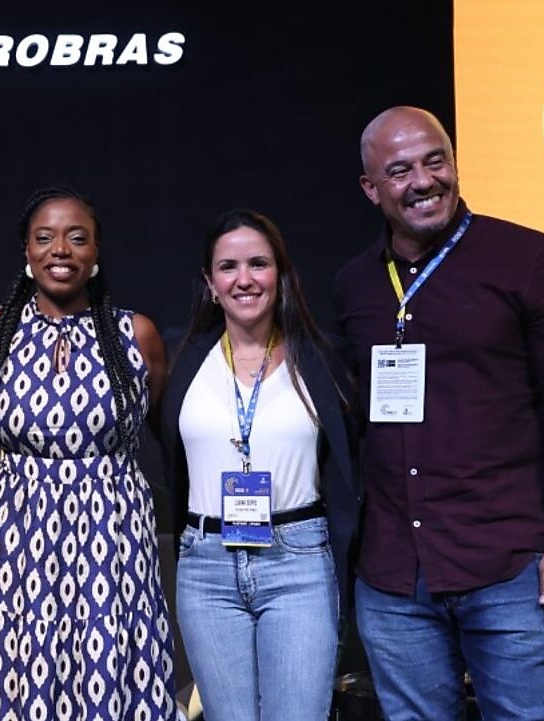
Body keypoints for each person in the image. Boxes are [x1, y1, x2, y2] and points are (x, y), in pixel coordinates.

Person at [331, 106, 544, 721]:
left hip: (511, 567)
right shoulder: (355, 284)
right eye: (400, 170)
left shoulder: (533, 261)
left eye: (436, 160)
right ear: (371, 188)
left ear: (455, 161)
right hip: (393, 576)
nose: (423, 181)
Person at [0, 186, 175, 720]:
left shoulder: (137, 334)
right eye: (46, 238)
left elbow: (165, 432)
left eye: (78, 238)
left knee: (108, 666)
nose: (61, 249)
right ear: (27, 253)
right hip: (21, 536)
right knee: (19, 667)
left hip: (112, 534)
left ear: (97, 254)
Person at [158, 209, 360, 721]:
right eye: (228, 267)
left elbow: (351, 461)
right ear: (209, 282)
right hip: (205, 565)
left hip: (298, 562)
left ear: (281, 275)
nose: (243, 279)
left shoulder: (319, 358)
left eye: (258, 264)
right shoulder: (183, 357)